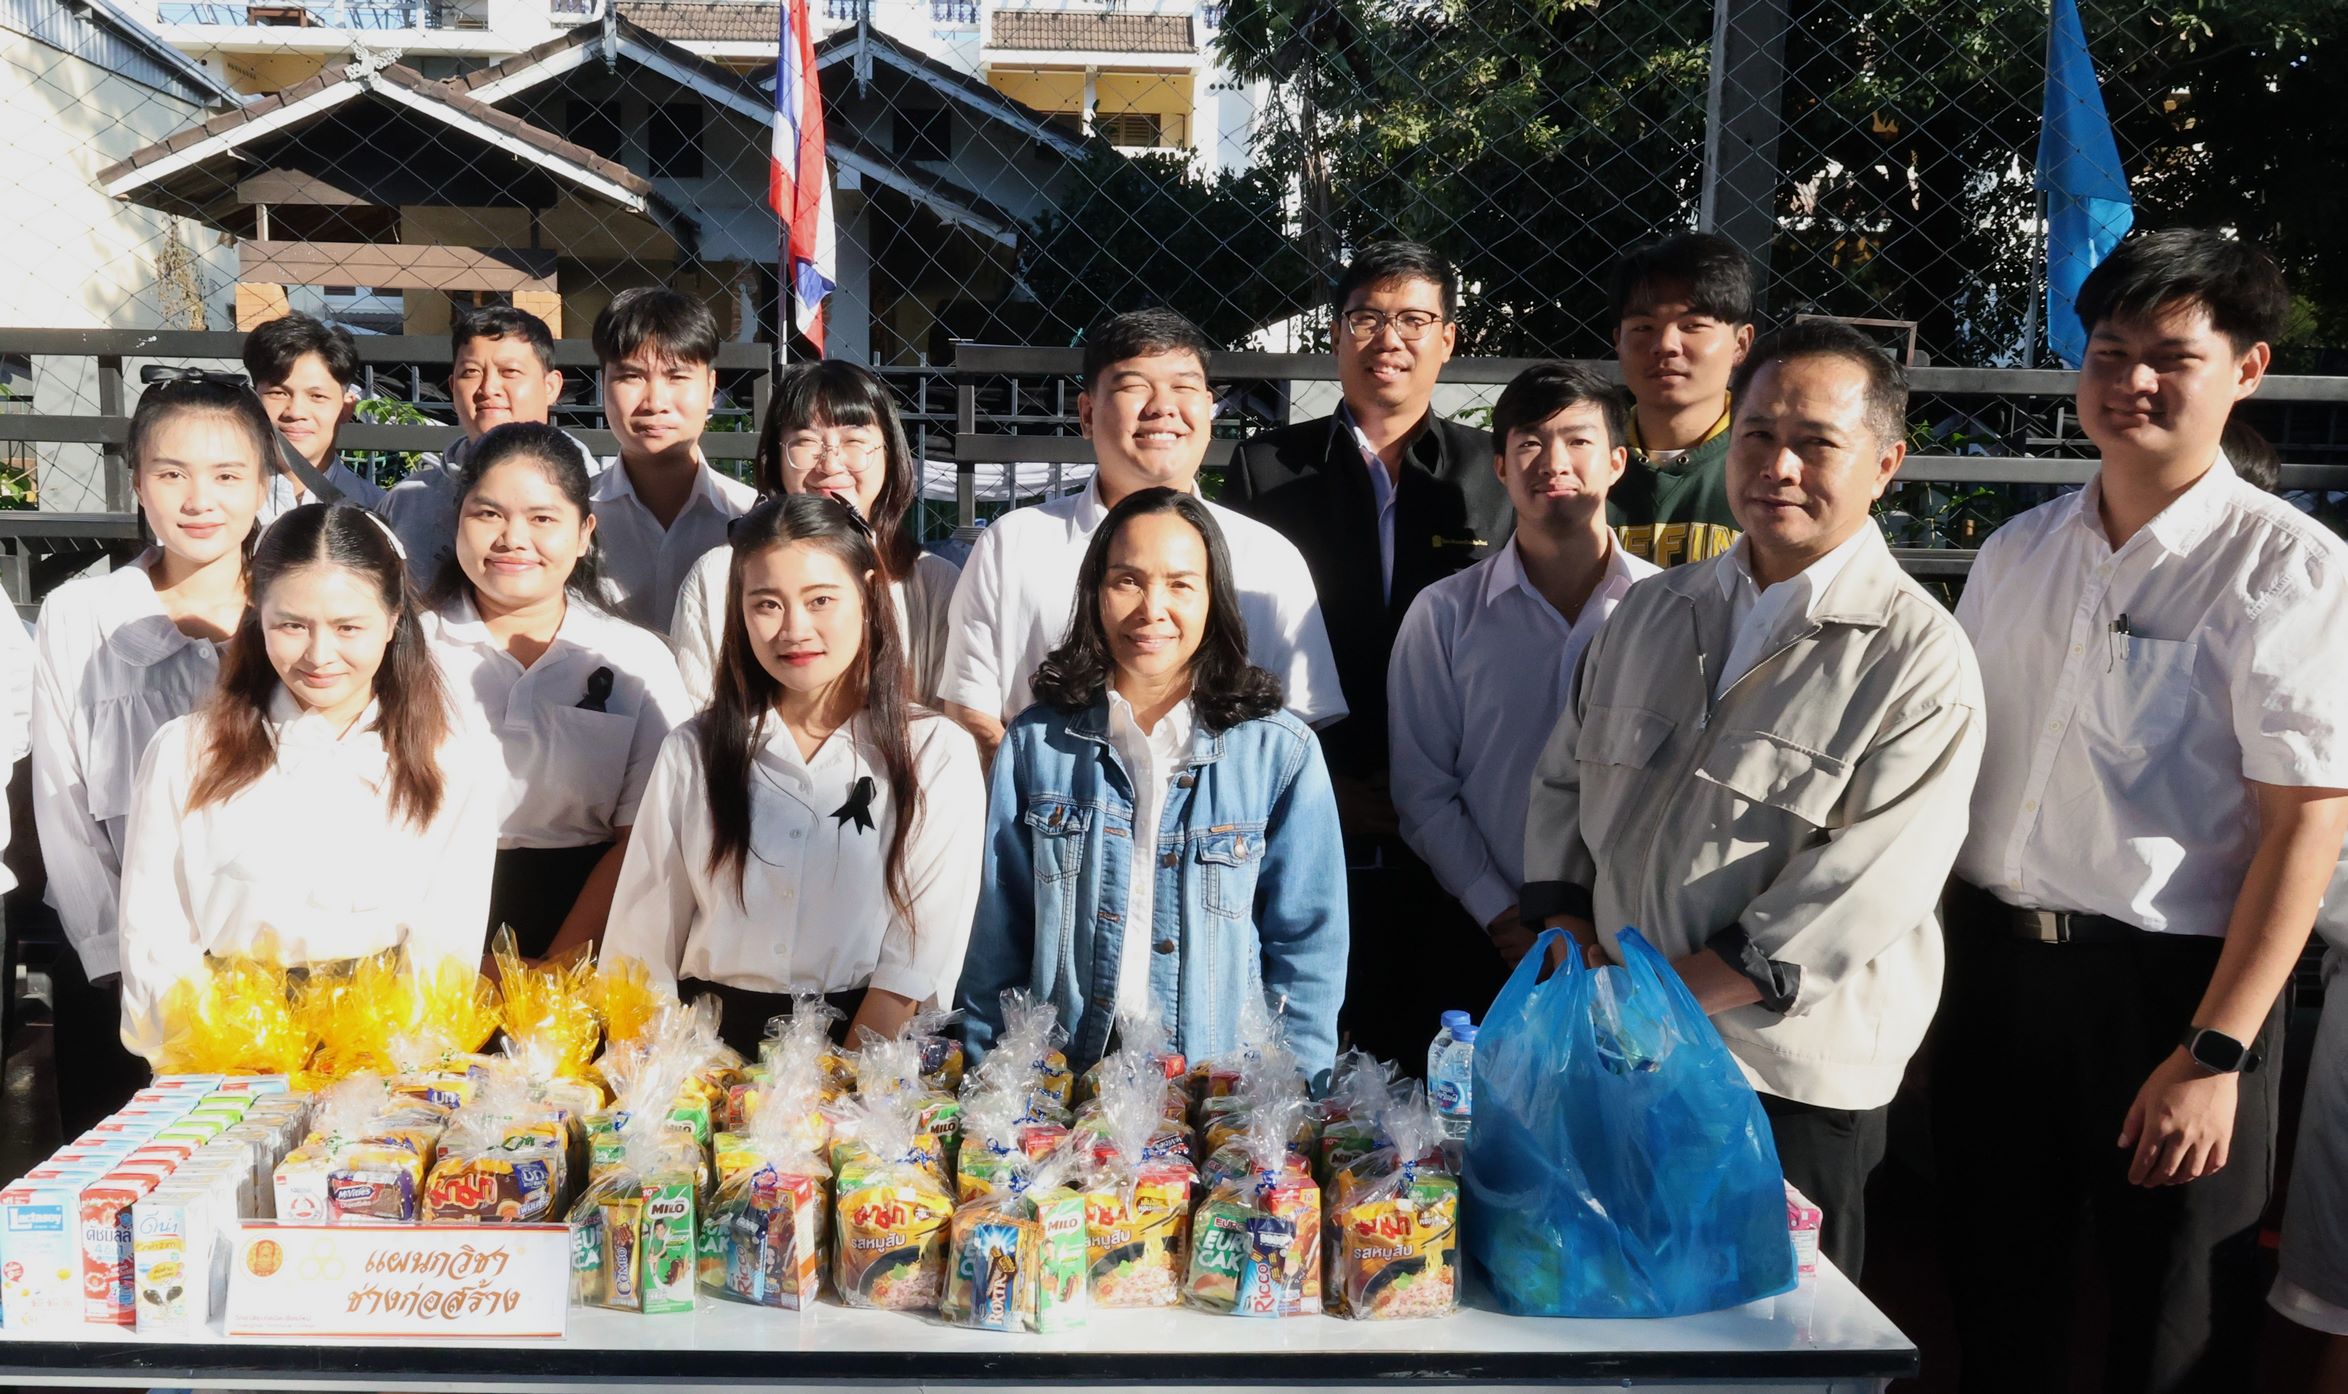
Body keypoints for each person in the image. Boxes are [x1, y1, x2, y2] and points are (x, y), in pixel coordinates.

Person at [1938, 230, 2348, 1394]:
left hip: (2173, 994)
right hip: (1995, 976)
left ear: (2247, 368)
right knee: (1992, 1302)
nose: (2130, 382)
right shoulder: (2015, 553)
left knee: (2170, 1331)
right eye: (2107, 353)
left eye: (2170, 356)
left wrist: (2215, 1051)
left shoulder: (2286, 569)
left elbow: (2303, 824)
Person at [1522, 321, 1985, 1282]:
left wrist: (1660, 997)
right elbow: (1563, 781)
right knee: (1616, 1306)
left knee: (1773, 1332)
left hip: (1778, 1078)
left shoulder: (1916, 658)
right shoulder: (1654, 611)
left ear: (1886, 464)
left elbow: (1866, 887)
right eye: (1759, 435)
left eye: (1816, 443)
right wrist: (1570, 937)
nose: (1779, 466)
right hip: (1619, 1049)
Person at [1220, 242, 1511, 1066]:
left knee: (1446, 1047)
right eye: (1367, 318)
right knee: (1311, 1039)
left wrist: (1432, 794)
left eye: (1414, 320)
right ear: (1336, 335)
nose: (1389, 339)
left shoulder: (1489, 473)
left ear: (1447, 339)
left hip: (1461, 809)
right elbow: (1240, 644)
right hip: (1314, 792)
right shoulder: (1268, 468)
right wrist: (1324, 784)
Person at [958, 488, 1349, 1081]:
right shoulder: (1037, 744)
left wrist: (1291, 1095)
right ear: (1095, 592)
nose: (1152, 608)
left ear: (1214, 599)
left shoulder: (1278, 752)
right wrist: (988, 1077)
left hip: (1219, 1090)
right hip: (1065, 1082)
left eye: (1181, 584)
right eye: (1128, 581)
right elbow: (996, 935)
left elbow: (1309, 949)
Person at [113, 502, 501, 1059]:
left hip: (380, 1057)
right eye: (292, 626)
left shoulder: (446, 760)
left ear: (393, 619)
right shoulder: (187, 752)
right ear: (257, 612)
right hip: (225, 1055)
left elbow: (446, 941)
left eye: (348, 628)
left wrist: (399, 1061)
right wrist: (205, 1056)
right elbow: (154, 932)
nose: (320, 656)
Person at [603, 494, 983, 1055]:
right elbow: (641, 942)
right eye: (767, 604)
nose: (794, 629)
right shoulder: (695, 749)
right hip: (705, 1052)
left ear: (869, 595)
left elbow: (917, 956)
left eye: (820, 599)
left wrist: (845, 1085)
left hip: (866, 1046)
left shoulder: (933, 751)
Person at [937, 308, 1342, 763]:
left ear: (1209, 410)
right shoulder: (1012, 545)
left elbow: (1299, 732)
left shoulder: (1270, 558)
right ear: (1087, 414)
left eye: (1183, 387)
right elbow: (969, 711)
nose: (1162, 407)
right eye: (1134, 386)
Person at [30, 374, 272, 1128]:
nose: (200, 501)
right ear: (137, 481)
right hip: (120, 970)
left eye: (227, 475)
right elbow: (62, 796)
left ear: (264, 484)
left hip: (270, 963)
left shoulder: (298, 614)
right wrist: (114, 951)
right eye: (172, 474)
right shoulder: (82, 614)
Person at [1388, 363, 1657, 974]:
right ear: (1501, 467)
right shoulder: (1444, 614)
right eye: (1530, 443)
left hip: (1637, 941)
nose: (1554, 462)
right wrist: (1500, 910)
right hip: (1486, 937)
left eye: (1579, 440)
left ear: (1617, 461)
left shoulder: (1669, 610)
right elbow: (1422, 789)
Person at [421, 422, 690, 961]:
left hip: (593, 929)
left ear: (585, 532)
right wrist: (462, 966)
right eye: (488, 514)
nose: (512, 539)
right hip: (428, 926)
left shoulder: (635, 659)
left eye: (542, 518)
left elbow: (648, 834)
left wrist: (556, 967)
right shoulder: (408, 649)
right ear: (457, 520)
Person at [669, 360, 960, 707]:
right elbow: (697, 717)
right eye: (805, 441)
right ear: (775, 456)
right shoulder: (717, 576)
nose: (830, 464)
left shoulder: (934, 583)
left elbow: (949, 720)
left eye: (854, 440)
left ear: (890, 454)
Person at [586, 289, 755, 630]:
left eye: (677, 377)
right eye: (631, 376)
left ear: (710, 387)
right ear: (603, 383)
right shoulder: (571, 515)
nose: (655, 402)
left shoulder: (748, 516)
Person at [384, 306, 596, 577]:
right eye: (471, 372)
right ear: (452, 387)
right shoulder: (409, 502)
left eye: (510, 371)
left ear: (551, 386)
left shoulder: (600, 496)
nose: (488, 388)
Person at [1605, 232, 1757, 567]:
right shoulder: (1581, 458)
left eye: (1692, 326)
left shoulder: (1773, 462)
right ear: (1618, 340)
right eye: (1644, 327)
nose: (1665, 345)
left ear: (1741, 343)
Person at [241, 313, 388, 519]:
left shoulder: (377, 510)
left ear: (346, 408)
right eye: (278, 393)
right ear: (253, 401)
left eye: (317, 396)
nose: (295, 412)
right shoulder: (221, 503)